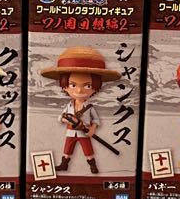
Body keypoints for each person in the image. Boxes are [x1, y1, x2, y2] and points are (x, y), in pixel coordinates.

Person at [41, 46, 121, 176]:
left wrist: (92, 129)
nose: (79, 90)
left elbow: (96, 120)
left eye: (88, 86)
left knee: (87, 150)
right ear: (65, 86)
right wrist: (65, 119)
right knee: (67, 149)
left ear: (95, 87)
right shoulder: (69, 106)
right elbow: (60, 117)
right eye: (72, 85)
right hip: (70, 132)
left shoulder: (89, 107)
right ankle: (64, 164)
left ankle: (92, 165)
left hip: (84, 132)